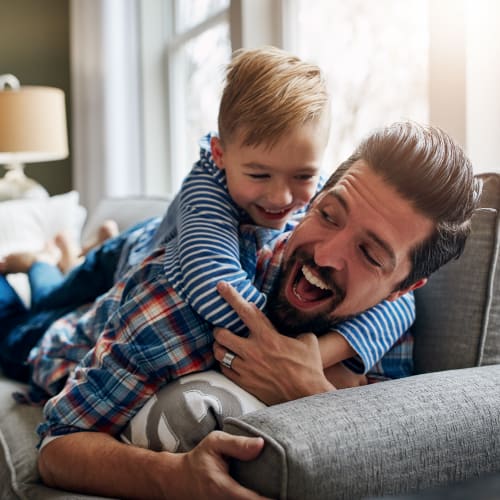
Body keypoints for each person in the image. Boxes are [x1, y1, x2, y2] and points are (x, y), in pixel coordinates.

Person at [37, 121, 481, 498]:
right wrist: (173, 477)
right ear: (311, 202)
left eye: (369, 254)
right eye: (328, 215)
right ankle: (46, 264)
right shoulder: (188, 296)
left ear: (403, 288)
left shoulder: (391, 334)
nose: (325, 255)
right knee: (35, 298)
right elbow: (57, 447)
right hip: (70, 329)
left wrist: (310, 391)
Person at [19, 47, 412, 407]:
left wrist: (320, 355)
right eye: (258, 175)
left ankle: (70, 253)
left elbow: (400, 304)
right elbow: (212, 285)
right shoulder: (206, 189)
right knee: (49, 302)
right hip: (128, 253)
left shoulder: (326, 196)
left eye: (302, 176)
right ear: (221, 155)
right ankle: (49, 261)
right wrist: (284, 352)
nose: (280, 197)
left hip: (144, 246)